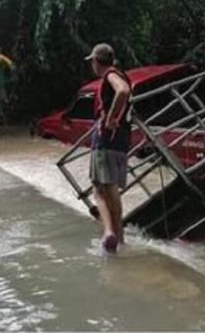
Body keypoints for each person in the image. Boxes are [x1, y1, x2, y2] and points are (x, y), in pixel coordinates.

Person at [85, 43, 132, 253]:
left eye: (92, 62)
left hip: (106, 140)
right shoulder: (122, 74)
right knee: (113, 189)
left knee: (98, 189)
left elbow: (123, 91)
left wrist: (110, 117)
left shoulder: (110, 76)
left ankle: (108, 232)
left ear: (96, 61)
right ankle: (120, 238)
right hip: (122, 141)